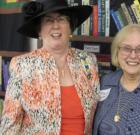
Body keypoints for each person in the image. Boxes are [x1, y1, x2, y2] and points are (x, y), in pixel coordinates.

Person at [0, 0, 100, 134]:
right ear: (39, 31)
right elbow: (9, 126)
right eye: (48, 20)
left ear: (70, 27)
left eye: (61, 19)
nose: (56, 26)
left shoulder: (88, 61)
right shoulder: (22, 65)